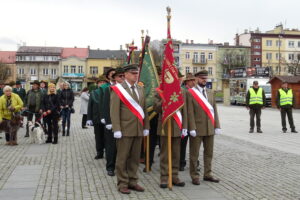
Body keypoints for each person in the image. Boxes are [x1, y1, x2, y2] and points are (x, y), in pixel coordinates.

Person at [110, 64, 150, 194]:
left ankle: (133, 181)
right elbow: (114, 111)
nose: (135, 75)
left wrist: (146, 126)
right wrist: (116, 129)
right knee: (122, 158)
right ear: (126, 75)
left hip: (138, 129)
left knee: (135, 158)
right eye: (133, 73)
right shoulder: (118, 89)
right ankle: (122, 183)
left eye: (136, 73)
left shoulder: (140, 89)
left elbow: (144, 110)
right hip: (124, 130)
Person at [187, 70, 221, 185]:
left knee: (209, 153)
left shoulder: (210, 93)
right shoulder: (191, 93)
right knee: (194, 154)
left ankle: (208, 174)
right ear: (196, 79)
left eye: (205, 78)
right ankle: (194, 175)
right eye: (202, 78)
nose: (204, 80)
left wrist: (217, 125)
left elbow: (214, 110)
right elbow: (189, 112)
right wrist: (191, 127)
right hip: (197, 128)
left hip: (209, 128)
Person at [154, 84, 187, 188]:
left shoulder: (181, 90)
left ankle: (174, 176)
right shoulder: (160, 90)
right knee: (164, 153)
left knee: (176, 154)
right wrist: (164, 100)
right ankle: (164, 177)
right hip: (165, 126)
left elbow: (185, 110)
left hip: (177, 125)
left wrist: (185, 126)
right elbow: (156, 109)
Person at [103, 67, 124, 176]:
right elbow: (106, 106)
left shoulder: (127, 90)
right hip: (112, 122)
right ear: (115, 78)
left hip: (124, 122)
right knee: (111, 146)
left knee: (122, 146)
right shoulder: (110, 89)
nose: (122, 78)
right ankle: (110, 167)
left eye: (123, 76)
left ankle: (121, 166)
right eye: (120, 76)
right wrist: (108, 122)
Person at [87, 76, 107, 159]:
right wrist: (89, 118)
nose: (102, 84)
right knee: (98, 137)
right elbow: (90, 106)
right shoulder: (93, 93)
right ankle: (99, 152)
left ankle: (108, 152)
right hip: (96, 118)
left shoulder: (109, 91)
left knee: (107, 137)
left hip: (107, 119)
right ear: (97, 84)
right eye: (100, 83)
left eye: (103, 82)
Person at [180, 73, 196, 171]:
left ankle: (195, 163)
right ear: (187, 82)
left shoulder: (196, 91)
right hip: (185, 121)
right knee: (183, 143)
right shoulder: (183, 91)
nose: (193, 82)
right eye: (191, 80)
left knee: (195, 145)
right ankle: (181, 162)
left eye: (194, 80)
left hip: (194, 121)